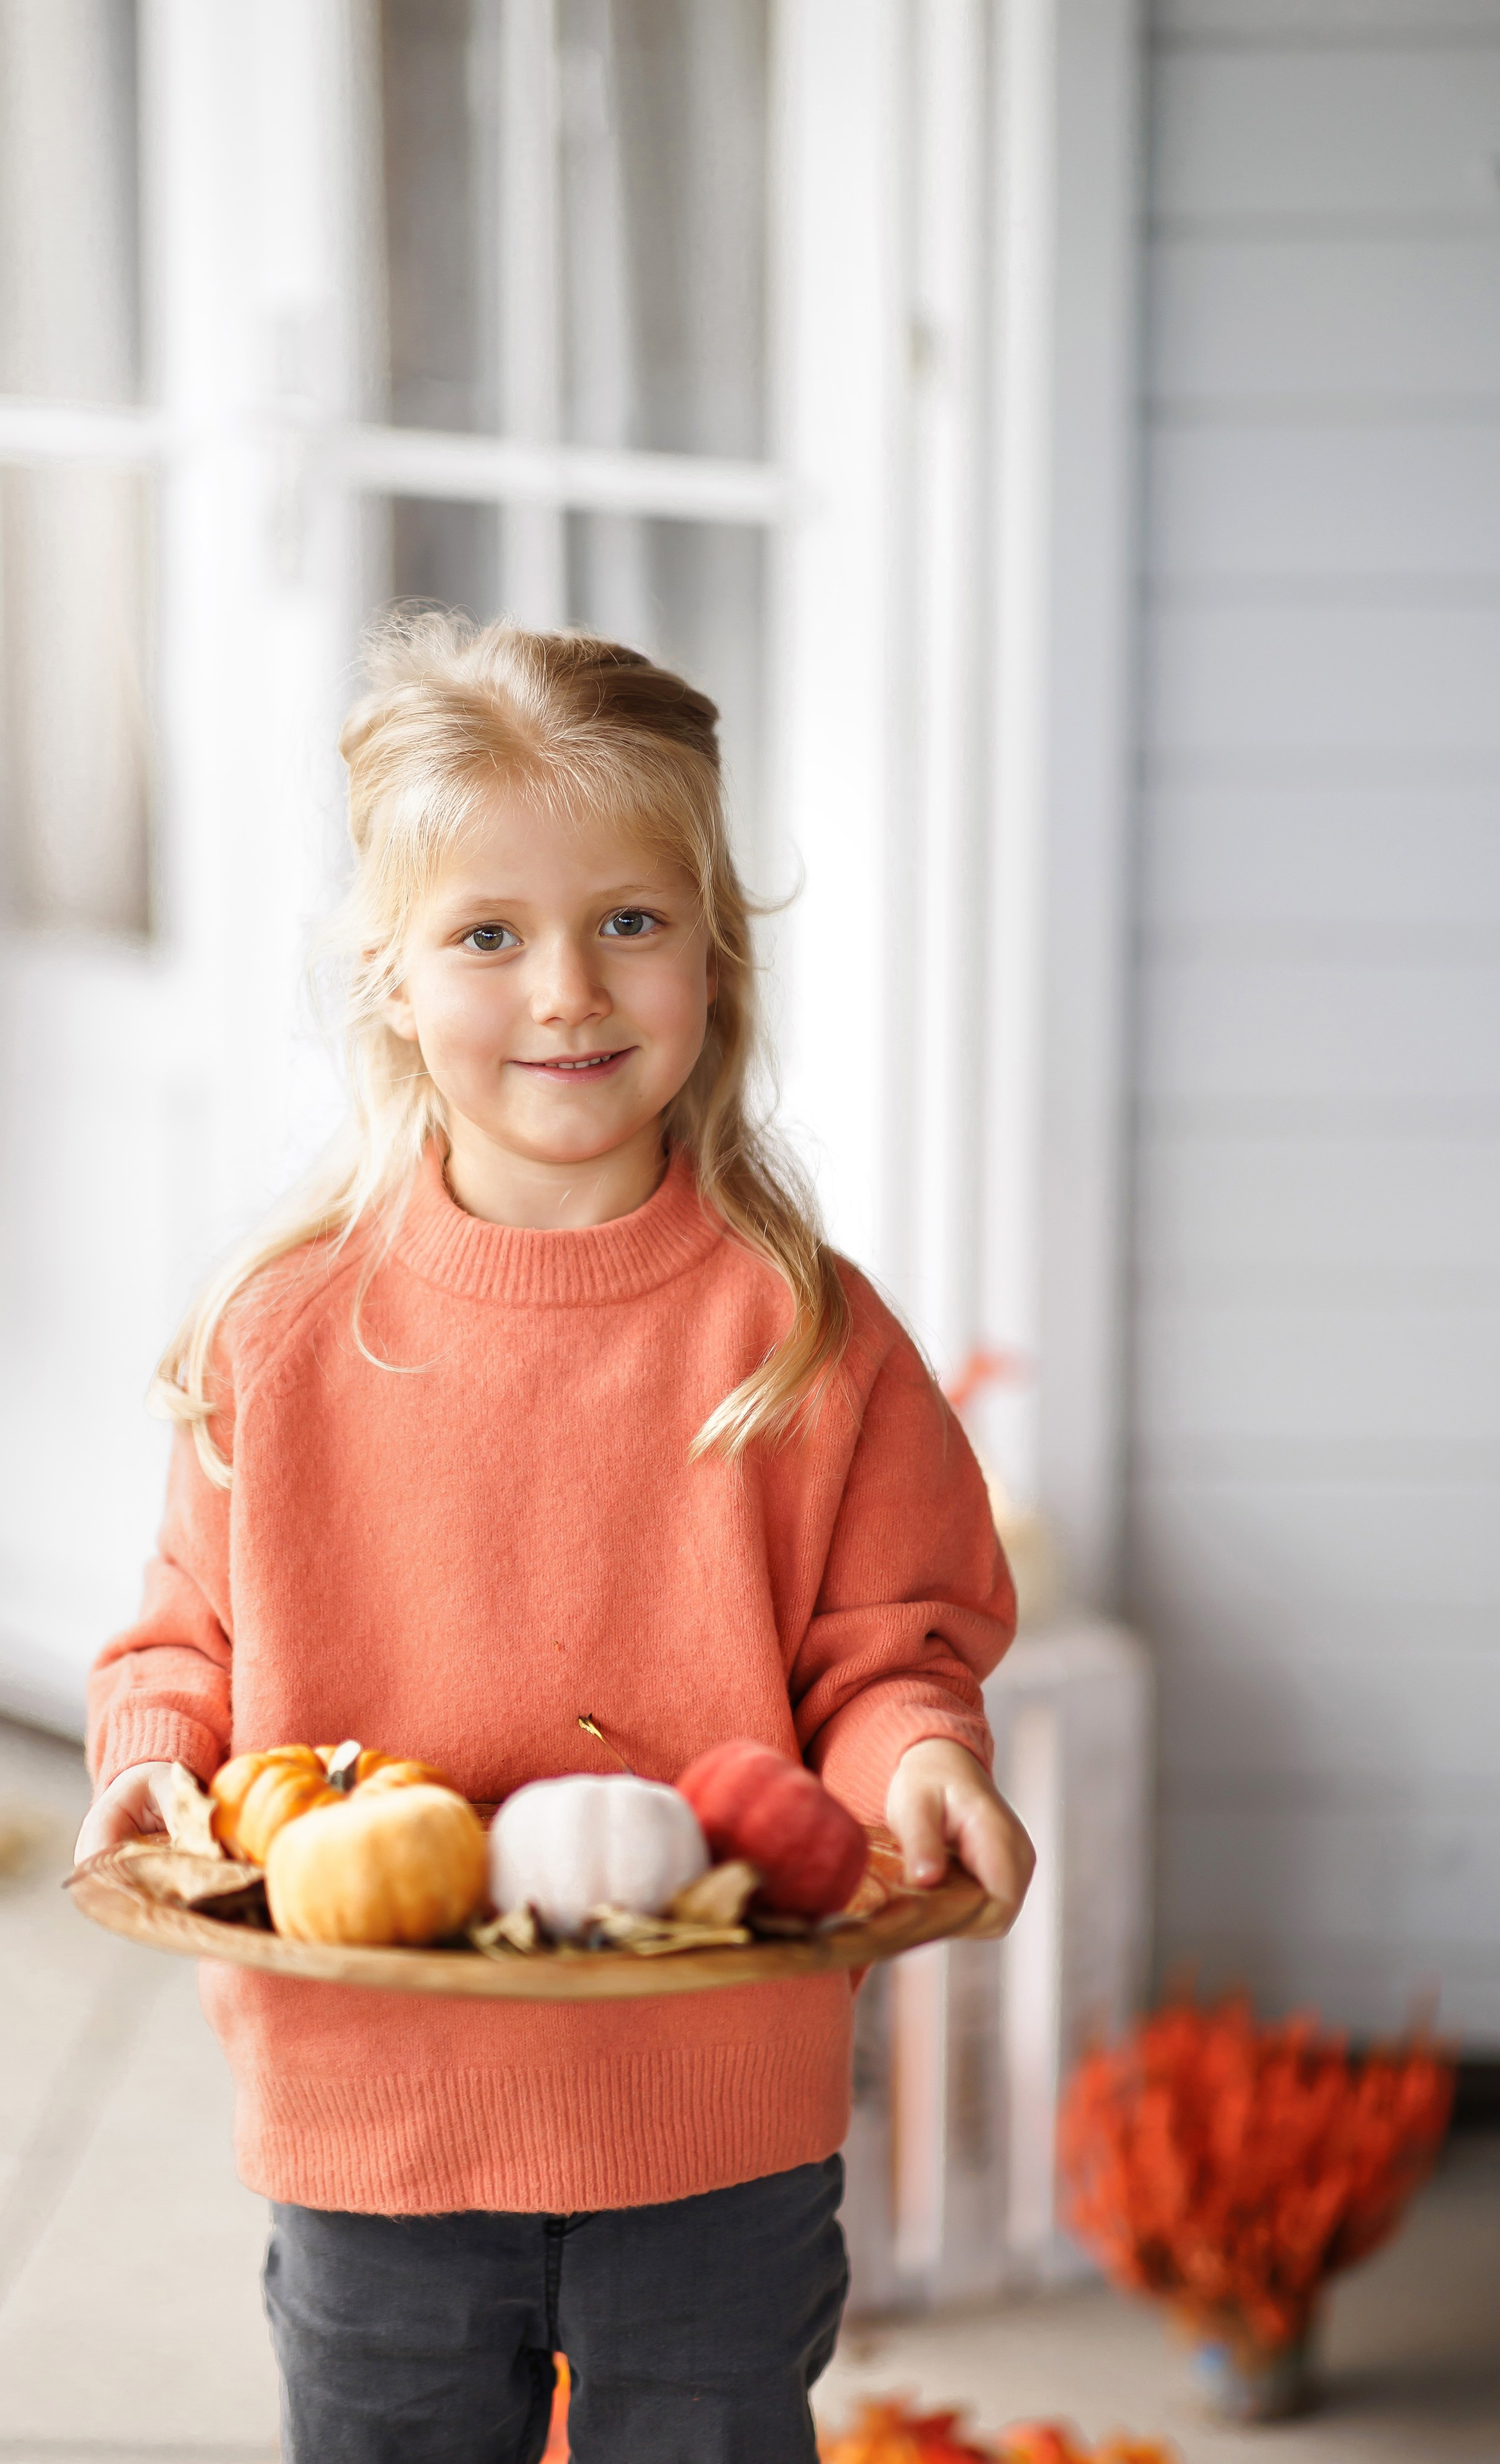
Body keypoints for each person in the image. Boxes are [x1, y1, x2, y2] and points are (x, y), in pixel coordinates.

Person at [76, 617, 1034, 2464]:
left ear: (714, 955)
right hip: (380, 2106)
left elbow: (888, 1650)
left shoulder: (806, 1340)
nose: (568, 993)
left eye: (630, 921)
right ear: (387, 976)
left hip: (711, 2110)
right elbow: (184, 1634)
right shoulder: (282, 1339)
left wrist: (918, 1765)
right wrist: (153, 1763)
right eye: (488, 935)